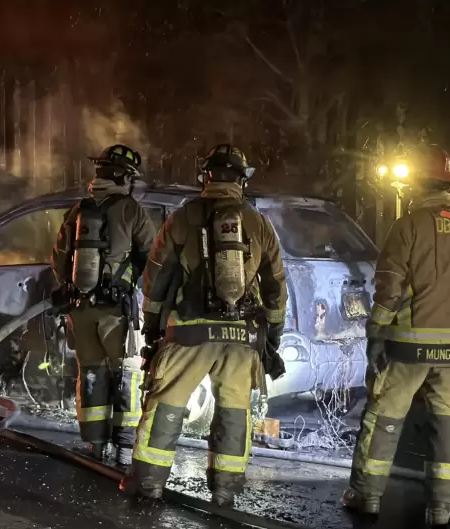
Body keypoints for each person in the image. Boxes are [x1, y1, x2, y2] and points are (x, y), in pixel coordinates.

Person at [341, 145, 450, 526]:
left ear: (416, 185)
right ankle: (441, 507)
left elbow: (389, 288)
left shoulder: (407, 226)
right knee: (448, 424)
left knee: (383, 417)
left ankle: (367, 496)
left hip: (407, 349)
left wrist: (376, 331)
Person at [121, 144, 288, 507]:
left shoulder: (182, 218)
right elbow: (276, 286)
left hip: (189, 333)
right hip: (242, 336)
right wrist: (271, 337)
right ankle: (225, 490)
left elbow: (156, 279)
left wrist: (151, 328)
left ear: (205, 176)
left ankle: (147, 484)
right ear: (242, 181)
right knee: (234, 410)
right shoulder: (258, 223)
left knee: (166, 405)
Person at [51, 144, 158, 466]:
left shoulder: (76, 211)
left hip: (80, 311)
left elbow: (58, 258)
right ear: (125, 178)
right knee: (126, 375)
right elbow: (153, 258)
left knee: (92, 375)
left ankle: (94, 448)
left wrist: (70, 291)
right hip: (116, 313)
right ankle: (124, 450)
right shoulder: (131, 210)